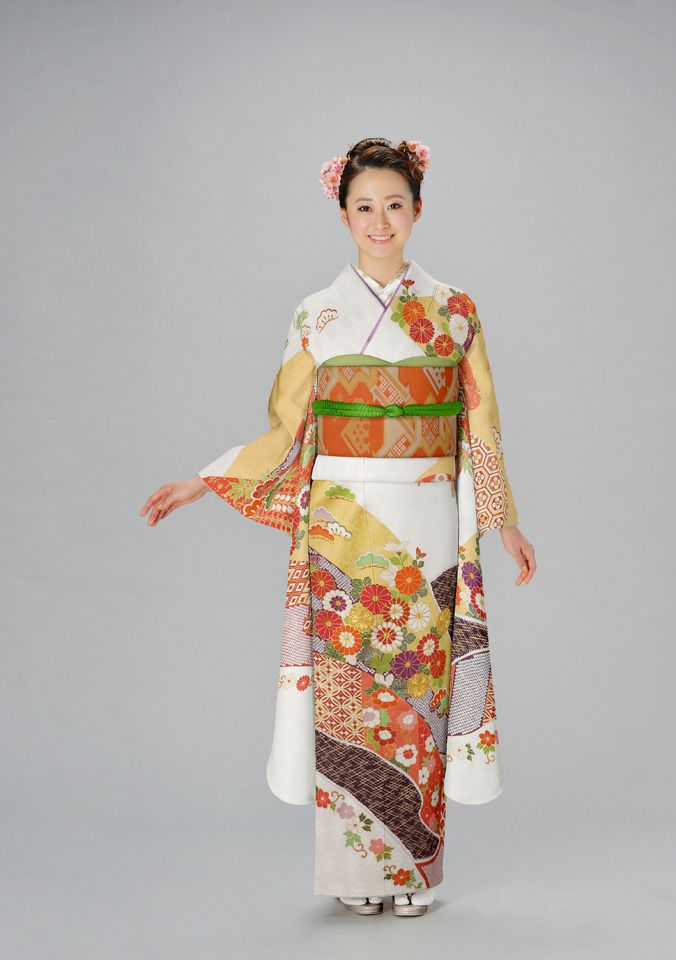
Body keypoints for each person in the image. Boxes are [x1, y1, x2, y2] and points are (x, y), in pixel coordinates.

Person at [139, 137, 537, 917]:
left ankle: (414, 868)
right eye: (364, 207)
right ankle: (358, 873)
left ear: (418, 209)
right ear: (344, 215)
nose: (379, 220)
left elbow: (481, 423)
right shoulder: (316, 314)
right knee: (349, 686)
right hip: (342, 517)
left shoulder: (455, 309)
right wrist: (206, 480)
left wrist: (503, 519)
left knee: (420, 684)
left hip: (427, 511)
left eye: (394, 204)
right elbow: (286, 429)